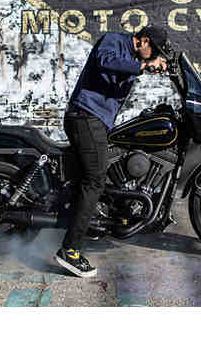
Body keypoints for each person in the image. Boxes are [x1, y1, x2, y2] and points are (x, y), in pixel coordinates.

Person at [55, 24, 169, 277]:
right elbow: (105, 61)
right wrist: (144, 65)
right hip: (85, 116)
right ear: (144, 41)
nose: (153, 55)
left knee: (92, 177)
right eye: (154, 50)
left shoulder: (134, 58)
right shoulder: (114, 41)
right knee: (95, 180)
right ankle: (69, 250)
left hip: (96, 120)